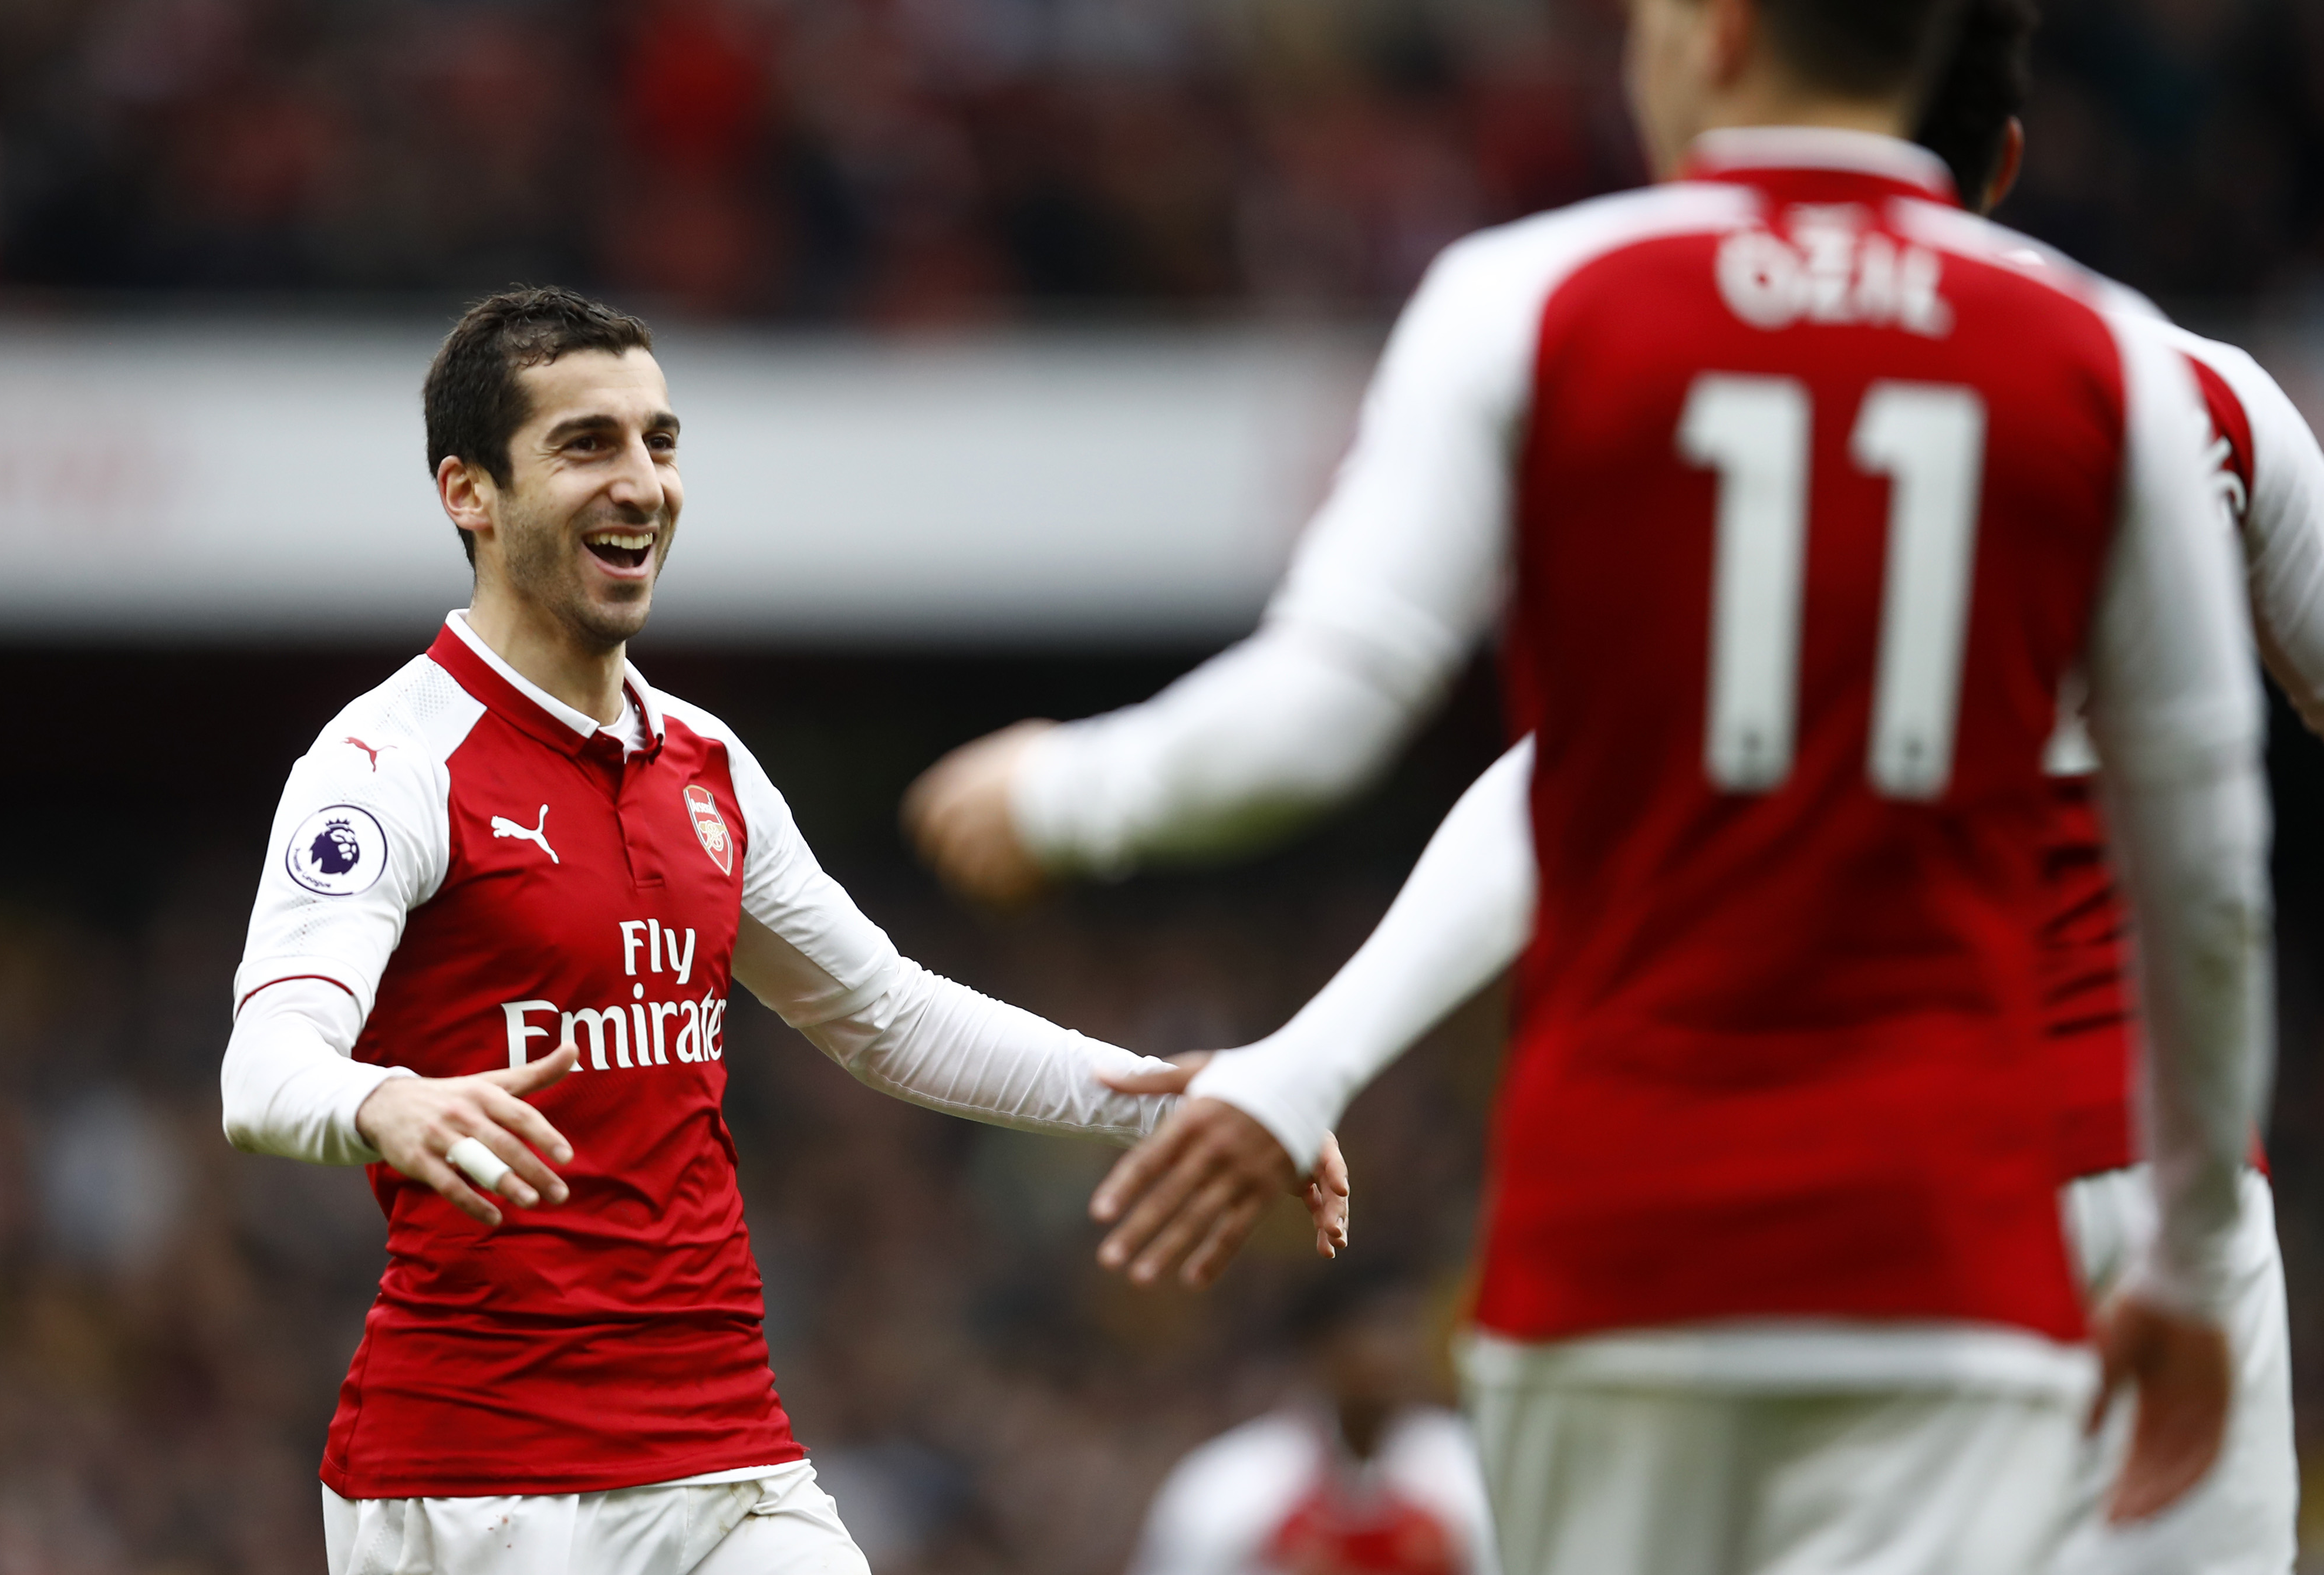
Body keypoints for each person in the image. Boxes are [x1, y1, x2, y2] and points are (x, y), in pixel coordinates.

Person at [943, 0, 2274, 1570]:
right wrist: (2191, 1259)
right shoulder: (2114, 365)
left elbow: (1331, 703)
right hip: (1941, 1233)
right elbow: (2207, 872)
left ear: (1709, 35)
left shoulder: (1534, 297)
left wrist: (1067, 789)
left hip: (1622, 1223)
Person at [218, 286, 1348, 1575]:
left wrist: (1184, 1099)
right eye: (587, 445)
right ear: (468, 493)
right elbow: (265, 1068)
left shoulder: (704, 763)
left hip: (724, 1458)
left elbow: (886, 1015)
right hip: (484, 1478)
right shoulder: (385, 765)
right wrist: (386, 1104)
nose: (642, 482)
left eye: (660, 441)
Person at [1125, 1274, 1501, 1575]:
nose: (1396, 1354)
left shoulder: (1464, 1471)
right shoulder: (1232, 1485)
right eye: (1376, 1331)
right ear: (1320, 1348)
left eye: (1406, 1330)